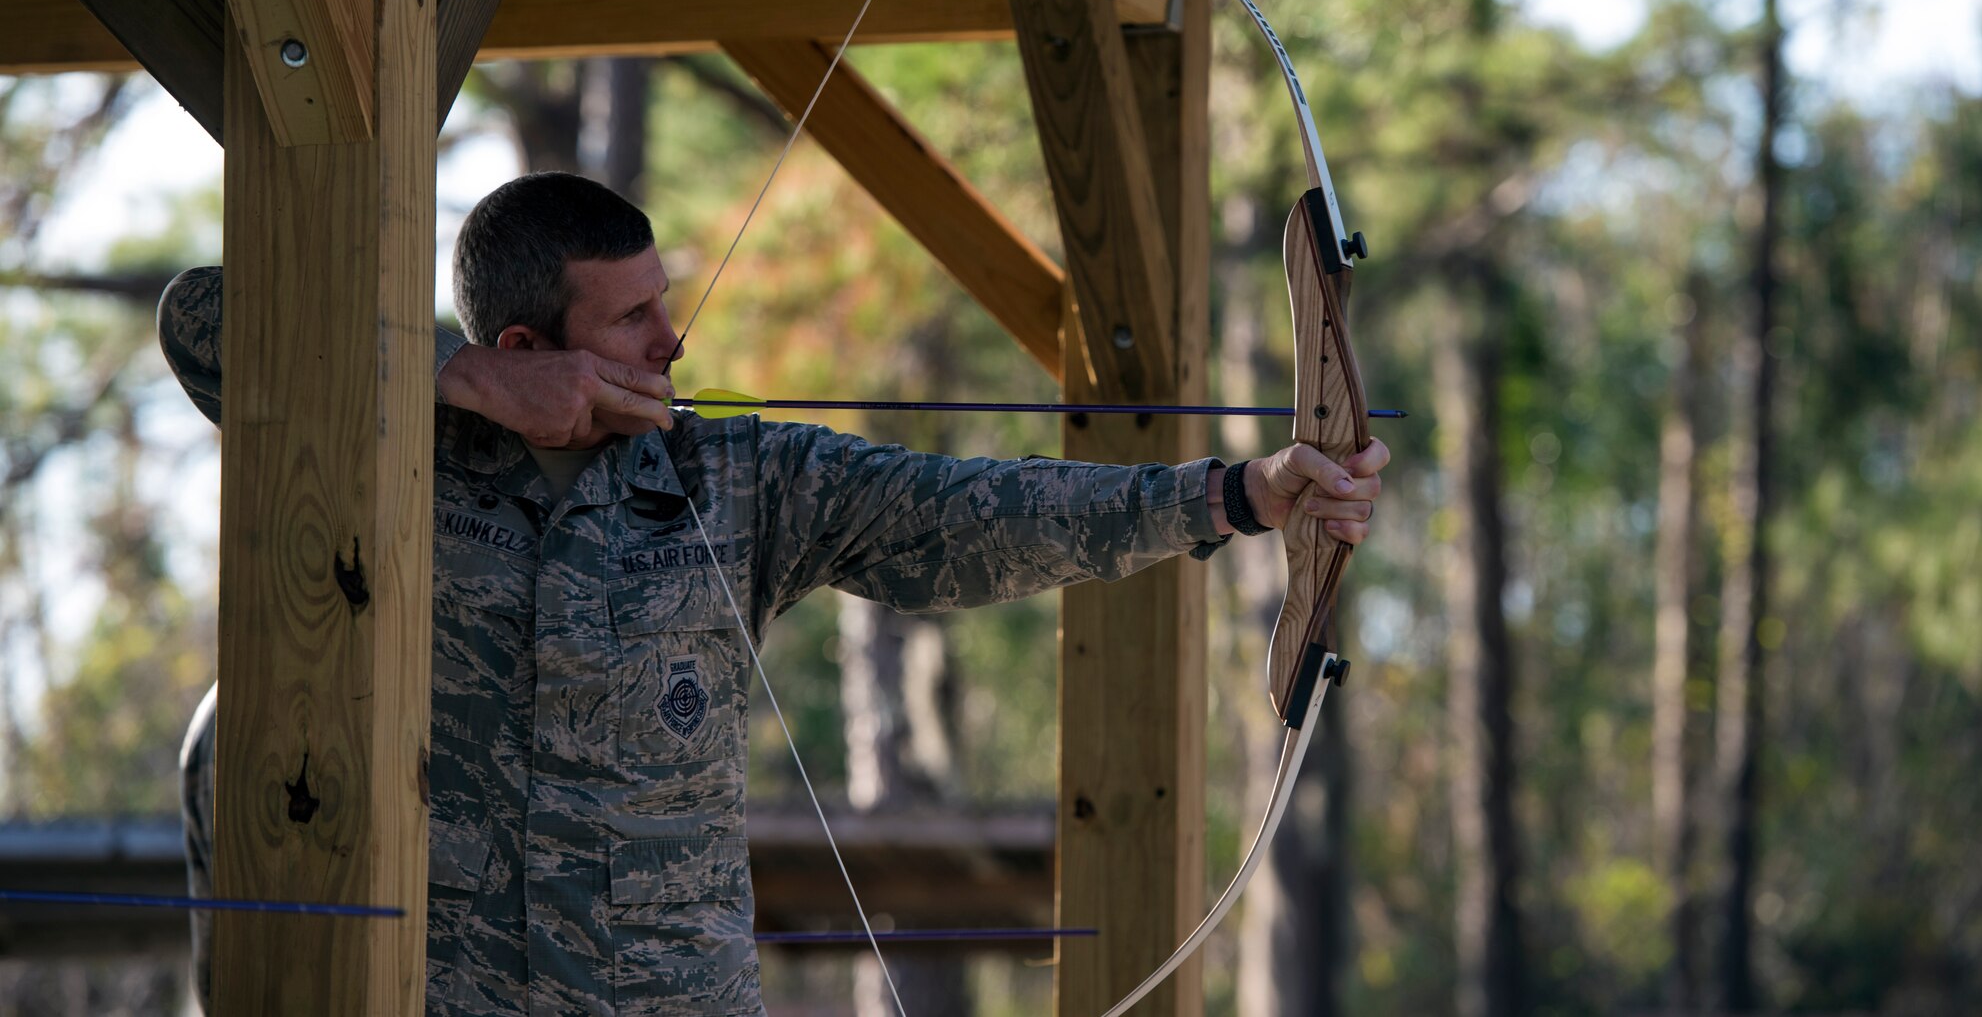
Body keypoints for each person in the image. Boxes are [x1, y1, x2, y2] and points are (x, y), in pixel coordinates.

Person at [171, 171, 1389, 1016]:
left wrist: (1240, 493)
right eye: (634, 315)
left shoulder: (737, 478)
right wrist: (459, 380)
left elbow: (977, 517)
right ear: (526, 349)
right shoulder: (395, 449)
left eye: (665, 298)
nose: (672, 340)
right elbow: (202, 324)